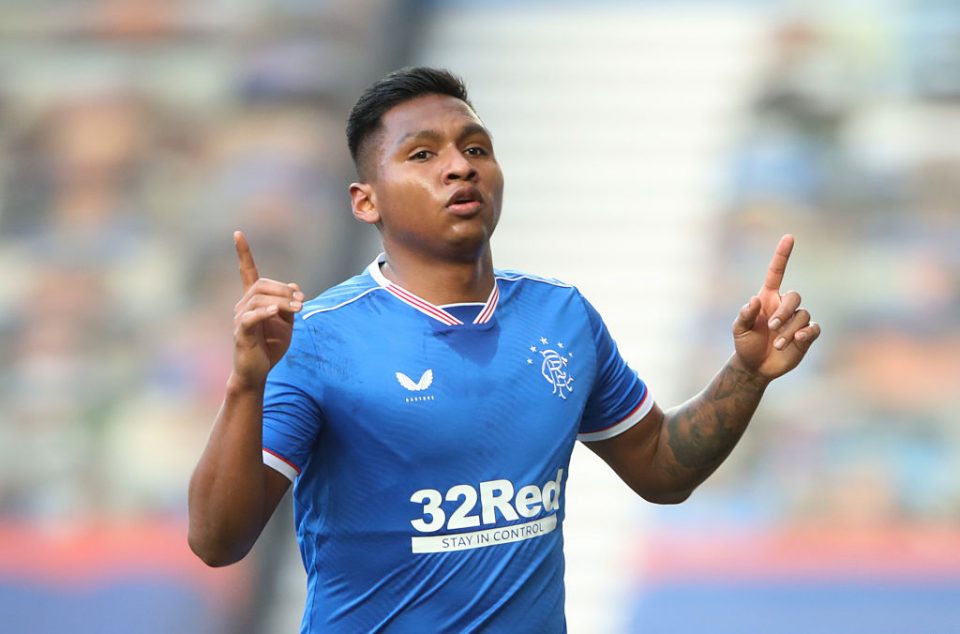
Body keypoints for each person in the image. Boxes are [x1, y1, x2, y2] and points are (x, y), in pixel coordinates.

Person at [187, 67, 820, 632]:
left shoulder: (561, 316)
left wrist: (747, 373)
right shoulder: (317, 338)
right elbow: (217, 542)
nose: (459, 167)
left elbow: (660, 468)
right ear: (366, 200)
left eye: (475, 149)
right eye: (422, 154)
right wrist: (246, 384)